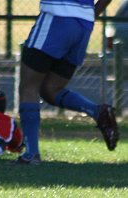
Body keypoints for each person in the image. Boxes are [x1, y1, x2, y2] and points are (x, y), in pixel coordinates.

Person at [17, 0, 119, 165]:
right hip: (83, 26)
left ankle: (31, 153)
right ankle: (97, 112)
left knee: (28, 87)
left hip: (57, 16)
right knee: (51, 89)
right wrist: (90, 14)